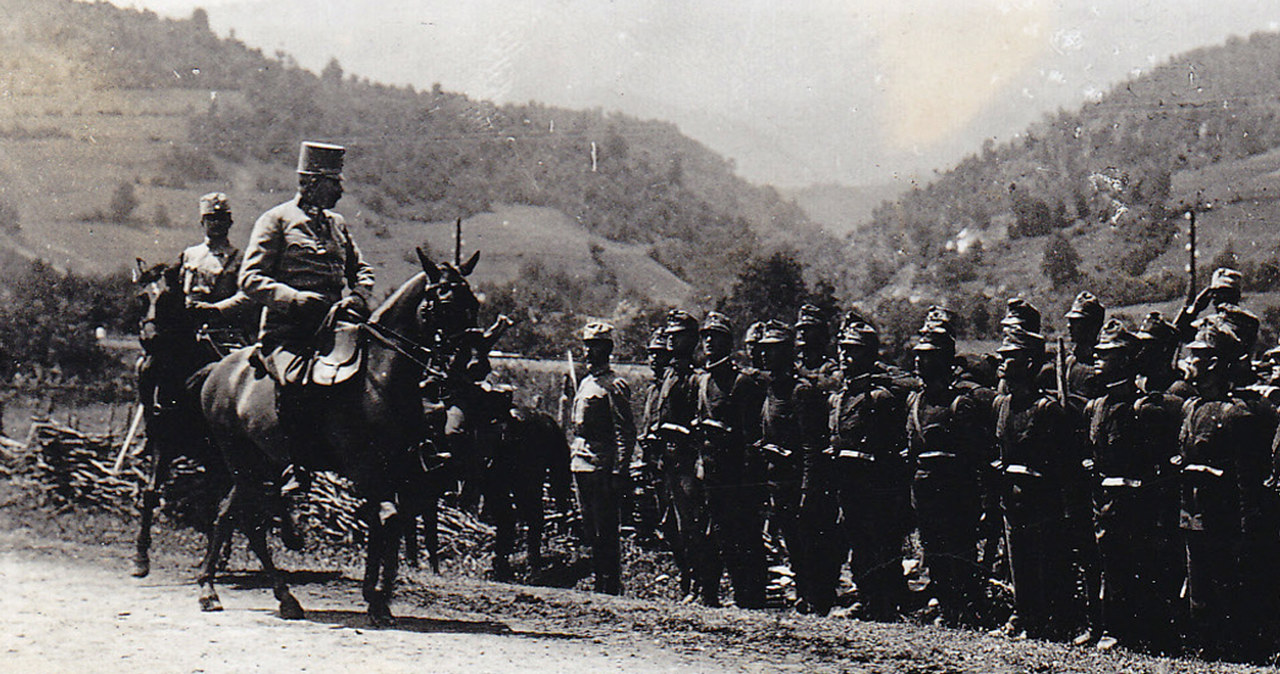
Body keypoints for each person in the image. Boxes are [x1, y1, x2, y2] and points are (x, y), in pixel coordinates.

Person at [239, 141, 375, 494]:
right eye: (334, 182)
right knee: (297, 382)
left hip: (336, 327)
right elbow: (250, 279)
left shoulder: (338, 225)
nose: (341, 190)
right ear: (311, 182)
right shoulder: (276, 220)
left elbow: (361, 269)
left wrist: (358, 297)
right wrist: (295, 299)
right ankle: (297, 466)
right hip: (288, 331)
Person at [1177, 316, 1272, 659]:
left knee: (1227, 587)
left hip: (1224, 520)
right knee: (1199, 590)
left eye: (1197, 355)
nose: (1189, 361)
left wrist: (1246, 530)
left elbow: (1248, 484)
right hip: (1194, 515)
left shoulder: (1237, 416)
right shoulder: (1191, 408)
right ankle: (1207, 648)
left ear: (1214, 364)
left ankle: (1235, 650)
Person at [1085, 320, 1180, 651]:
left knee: (1131, 566)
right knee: (1102, 565)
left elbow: (1158, 463)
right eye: (1098, 353)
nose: (1098, 359)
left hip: (1135, 502)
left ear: (1125, 360)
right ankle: (1101, 624)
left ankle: (1124, 630)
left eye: (1106, 355)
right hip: (1102, 499)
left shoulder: (1143, 408)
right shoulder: (1096, 406)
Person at [994, 324, 1081, 640]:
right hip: (1012, 501)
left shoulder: (1048, 410)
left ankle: (1053, 624)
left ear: (1029, 364)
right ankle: (1023, 617)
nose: (1002, 362)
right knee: (1020, 562)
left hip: (1042, 502)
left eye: (1010, 357)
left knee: (1048, 564)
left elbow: (1065, 466)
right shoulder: (1001, 405)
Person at [906, 318, 993, 627]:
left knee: (959, 552)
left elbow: (978, 459)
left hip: (956, 493)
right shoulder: (915, 401)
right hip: (926, 492)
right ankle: (946, 608)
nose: (918, 360)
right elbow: (912, 453)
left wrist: (982, 503)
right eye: (918, 354)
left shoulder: (961, 405)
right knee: (934, 553)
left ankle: (967, 612)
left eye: (927, 355)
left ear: (943, 360)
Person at [824, 316, 909, 620]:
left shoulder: (880, 399)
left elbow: (891, 451)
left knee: (881, 543)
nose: (846, 357)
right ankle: (866, 597)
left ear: (870, 356)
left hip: (876, 486)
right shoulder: (839, 397)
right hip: (848, 484)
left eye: (854, 351)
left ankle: (884, 603)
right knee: (857, 542)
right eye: (843, 350)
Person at [694, 311, 767, 609]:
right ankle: (712, 594)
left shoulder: (743, 383)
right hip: (712, 471)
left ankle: (749, 597)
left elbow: (752, 436)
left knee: (744, 535)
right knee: (717, 534)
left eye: (716, 337)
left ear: (728, 342)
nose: (710, 342)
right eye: (706, 336)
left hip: (738, 475)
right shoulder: (704, 381)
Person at [568, 321, 636, 595]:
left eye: (595, 346)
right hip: (581, 462)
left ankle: (610, 585)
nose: (588, 352)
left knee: (605, 527)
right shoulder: (586, 383)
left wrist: (620, 471)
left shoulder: (614, 385)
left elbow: (625, 432)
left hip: (602, 465)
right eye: (586, 346)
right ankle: (599, 581)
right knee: (589, 527)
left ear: (607, 349)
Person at [654, 309, 713, 603]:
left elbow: (700, 422)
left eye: (676, 336)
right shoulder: (669, 374)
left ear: (690, 340)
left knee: (691, 526)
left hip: (688, 461)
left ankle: (700, 586)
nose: (669, 340)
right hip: (669, 462)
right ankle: (687, 581)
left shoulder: (696, 378)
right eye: (668, 335)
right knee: (672, 526)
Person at [178, 192, 254, 353]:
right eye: (211, 218)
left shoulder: (240, 258)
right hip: (188, 332)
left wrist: (215, 309)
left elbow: (246, 295)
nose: (216, 223)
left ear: (230, 222)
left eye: (222, 218)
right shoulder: (190, 255)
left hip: (225, 336)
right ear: (202, 222)